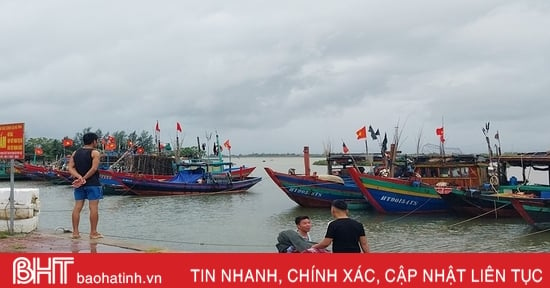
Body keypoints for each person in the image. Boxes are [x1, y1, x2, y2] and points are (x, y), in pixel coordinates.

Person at [67, 132, 103, 240]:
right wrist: (84, 178)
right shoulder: (95, 153)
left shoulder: (75, 153)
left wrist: (79, 178)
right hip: (93, 183)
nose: (97, 142)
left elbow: (70, 167)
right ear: (93, 141)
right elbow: (94, 168)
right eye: (97, 140)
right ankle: (93, 233)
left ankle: (75, 233)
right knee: (93, 208)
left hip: (79, 184)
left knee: (77, 207)